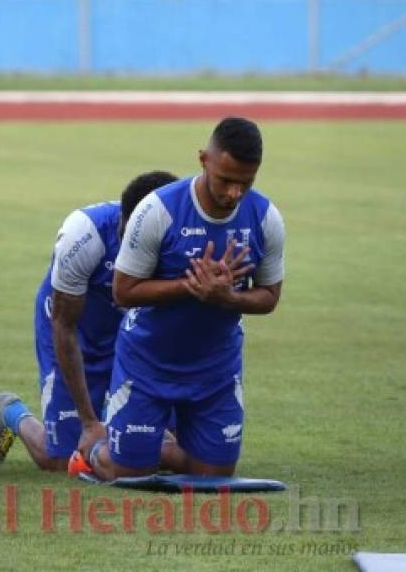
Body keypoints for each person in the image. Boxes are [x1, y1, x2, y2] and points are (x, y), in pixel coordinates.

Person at [83, 117, 285, 480]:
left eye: (246, 182)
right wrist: (192, 287)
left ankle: (156, 447)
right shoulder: (157, 210)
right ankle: (98, 449)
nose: (234, 193)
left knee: (214, 479)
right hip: (147, 364)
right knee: (129, 475)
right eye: (226, 180)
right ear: (204, 159)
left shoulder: (266, 218)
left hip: (216, 368)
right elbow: (123, 292)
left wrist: (227, 297)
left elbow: (270, 297)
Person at [0, 170, 178, 471]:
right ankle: (10, 412)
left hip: (130, 330)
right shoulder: (85, 234)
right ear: (123, 220)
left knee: (168, 445)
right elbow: (63, 325)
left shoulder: (177, 239)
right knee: (62, 458)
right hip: (73, 327)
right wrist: (88, 423)